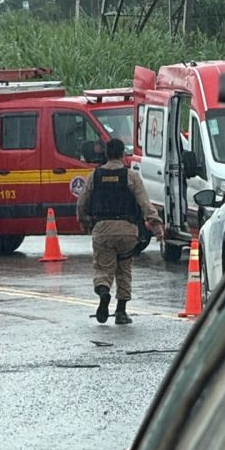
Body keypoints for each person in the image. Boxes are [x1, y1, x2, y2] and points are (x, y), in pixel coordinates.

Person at [76, 137, 163, 325]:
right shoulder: (131, 176)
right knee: (124, 269)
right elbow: (145, 203)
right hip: (127, 230)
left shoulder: (95, 175)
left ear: (106, 154)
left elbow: (82, 203)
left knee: (103, 268)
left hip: (103, 229)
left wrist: (83, 221)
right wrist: (156, 226)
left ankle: (104, 292)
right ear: (123, 154)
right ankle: (121, 312)